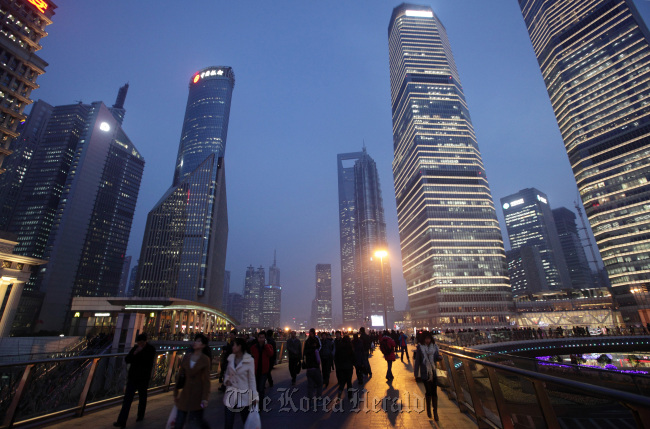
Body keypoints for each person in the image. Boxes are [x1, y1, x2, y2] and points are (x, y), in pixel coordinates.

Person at [114, 333, 156, 428]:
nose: (139, 344)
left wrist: (140, 353)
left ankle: (140, 415)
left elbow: (148, 361)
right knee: (127, 400)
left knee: (142, 398)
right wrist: (135, 353)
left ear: (145, 341)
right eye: (138, 342)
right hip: (133, 377)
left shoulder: (150, 349)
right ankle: (121, 421)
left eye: (141, 342)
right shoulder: (135, 348)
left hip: (143, 378)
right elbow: (127, 359)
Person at [174, 334, 211, 429]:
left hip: (197, 396)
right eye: (195, 341)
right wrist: (176, 392)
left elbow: (206, 381)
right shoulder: (187, 357)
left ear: (203, 345)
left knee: (195, 422)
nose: (195, 343)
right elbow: (180, 375)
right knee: (179, 422)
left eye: (198, 341)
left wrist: (205, 398)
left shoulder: (205, 360)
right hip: (185, 394)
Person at [223, 338, 258, 429]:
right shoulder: (231, 358)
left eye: (234, 345)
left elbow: (251, 379)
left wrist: (254, 396)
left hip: (243, 394)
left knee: (246, 421)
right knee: (228, 423)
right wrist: (227, 380)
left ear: (240, 346)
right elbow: (227, 373)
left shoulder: (249, 360)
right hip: (230, 394)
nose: (232, 347)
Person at [420, 332, 442, 421]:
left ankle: (435, 412)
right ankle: (428, 409)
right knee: (428, 391)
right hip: (425, 373)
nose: (427, 340)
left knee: (434, 392)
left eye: (428, 338)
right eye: (426, 339)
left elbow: (437, 356)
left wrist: (440, 357)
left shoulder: (434, 347)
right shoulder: (420, 347)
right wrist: (416, 373)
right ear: (423, 339)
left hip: (433, 372)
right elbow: (418, 361)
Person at [250, 331, 274, 402]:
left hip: (264, 371)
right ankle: (255, 402)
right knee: (255, 387)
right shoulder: (253, 347)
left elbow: (271, 354)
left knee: (261, 388)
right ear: (257, 338)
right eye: (260, 337)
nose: (261, 339)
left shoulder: (268, 346)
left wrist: (266, 345)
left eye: (262, 338)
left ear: (265, 338)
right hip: (255, 370)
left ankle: (260, 404)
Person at [334, 334, 356, 401]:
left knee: (342, 381)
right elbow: (353, 357)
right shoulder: (350, 347)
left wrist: (337, 365)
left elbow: (336, 357)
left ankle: (340, 391)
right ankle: (350, 396)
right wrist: (354, 364)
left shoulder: (339, 346)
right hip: (349, 367)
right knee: (349, 382)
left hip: (341, 367)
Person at [303, 328, 323, 402]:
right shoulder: (315, 342)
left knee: (310, 385)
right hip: (315, 366)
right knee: (319, 383)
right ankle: (318, 399)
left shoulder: (307, 342)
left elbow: (304, 353)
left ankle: (310, 401)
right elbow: (319, 348)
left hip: (309, 366)